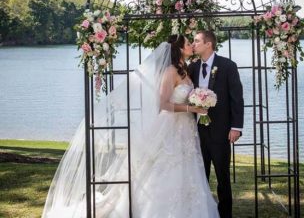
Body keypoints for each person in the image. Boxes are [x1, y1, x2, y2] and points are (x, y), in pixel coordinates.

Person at [42, 34, 219, 218]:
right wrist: (191, 107)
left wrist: (199, 102)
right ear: (180, 49)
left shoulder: (186, 70)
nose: (191, 46)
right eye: (188, 43)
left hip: (186, 128)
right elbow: (163, 104)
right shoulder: (170, 71)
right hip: (171, 127)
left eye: (193, 43)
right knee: (166, 167)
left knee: (188, 168)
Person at [188, 30, 244, 218]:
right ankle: (202, 212)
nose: (193, 44)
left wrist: (236, 127)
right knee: (200, 176)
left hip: (221, 132)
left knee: (222, 177)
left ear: (208, 44)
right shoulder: (193, 67)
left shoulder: (228, 66)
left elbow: (237, 99)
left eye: (196, 41)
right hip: (198, 133)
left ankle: (225, 214)